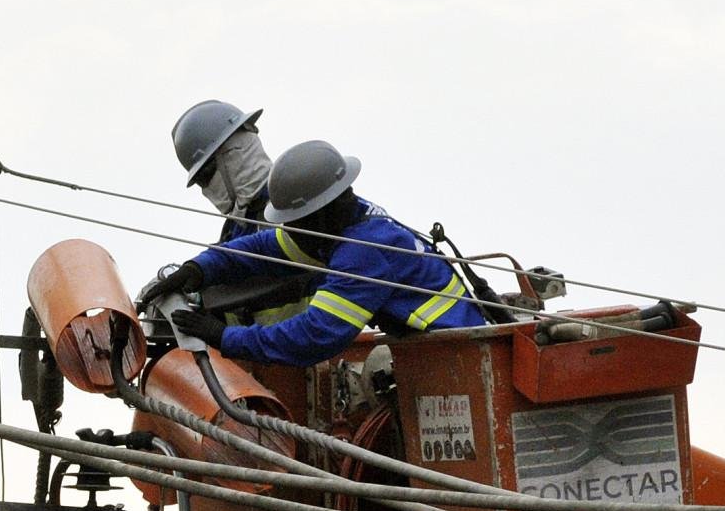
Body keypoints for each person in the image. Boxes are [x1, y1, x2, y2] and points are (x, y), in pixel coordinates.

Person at [160, 139, 490, 368]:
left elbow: (314, 336)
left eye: (291, 221)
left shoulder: (364, 252)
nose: (286, 229)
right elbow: (261, 249)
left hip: (455, 357)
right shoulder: (340, 223)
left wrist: (225, 337)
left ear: (316, 212)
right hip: (434, 351)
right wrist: (199, 269)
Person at [170, 99, 271, 237]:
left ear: (234, 153)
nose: (206, 189)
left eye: (205, 176)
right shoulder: (234, 229)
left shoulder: (294, 193)